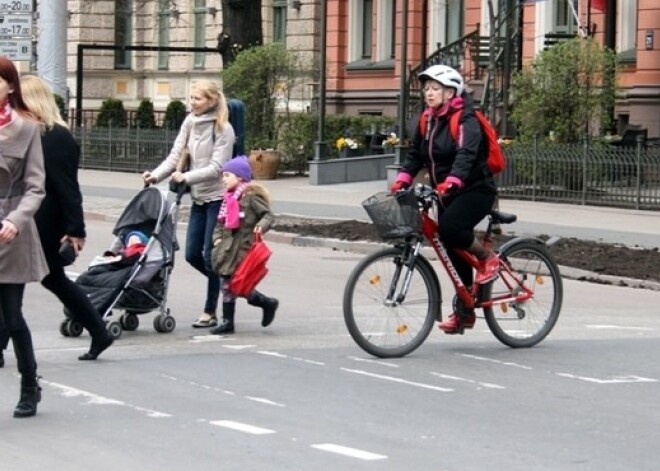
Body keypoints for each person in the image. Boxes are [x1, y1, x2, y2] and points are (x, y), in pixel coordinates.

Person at [3, 75, 115, 363]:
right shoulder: (29, 132)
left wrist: (75, 229)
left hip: (45, 223)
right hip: (32, 220)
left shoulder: (54, 137)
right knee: (50, 280)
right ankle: (100, 332)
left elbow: (68, 188)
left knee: (23, 282)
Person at [390, 64, 499, 334]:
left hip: (476, 189)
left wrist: (455, 179)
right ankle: (465, 312)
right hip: (447, 191)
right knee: (450, 245)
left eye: (435, 88)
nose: (429, 93)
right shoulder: (427, 120)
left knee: (450, 229)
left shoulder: (465, 119)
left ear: (450, 92)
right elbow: (416, 154)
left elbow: (466, 153)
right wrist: (404, 177)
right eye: (426, 88)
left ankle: (488, 258)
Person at [143, 80, 235, 328]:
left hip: (217, 198)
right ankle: (228, 283)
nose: (192, 103)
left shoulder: (223, 129)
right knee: (193, 254)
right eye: (191, 98)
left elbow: (217, 168)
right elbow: (175, 155)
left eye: (197, 98)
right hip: (198, 198)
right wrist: (156, 175)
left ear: (213, 100)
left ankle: (210, 310)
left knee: (209, 257)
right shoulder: (190, 122)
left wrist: (186, 177)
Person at [0, 57, 49, 418]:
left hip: (9, 232)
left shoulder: (27, 129)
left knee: (12, 317)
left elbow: (36, 187)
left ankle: (30, 384)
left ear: (10, 87)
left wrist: (16, 220)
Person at [209, 156, 278, 334]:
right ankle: (227, 322)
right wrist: (216, 239)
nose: (223, 179)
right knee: (226, 284)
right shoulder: (228, 199)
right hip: (226, 248)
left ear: (240, 177)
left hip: (243, 249)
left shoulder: (250, 198)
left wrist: (261, 226)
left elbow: (268, 216)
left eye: (227, 175)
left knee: (240, 285)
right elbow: (220, 223)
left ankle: (267, 303)